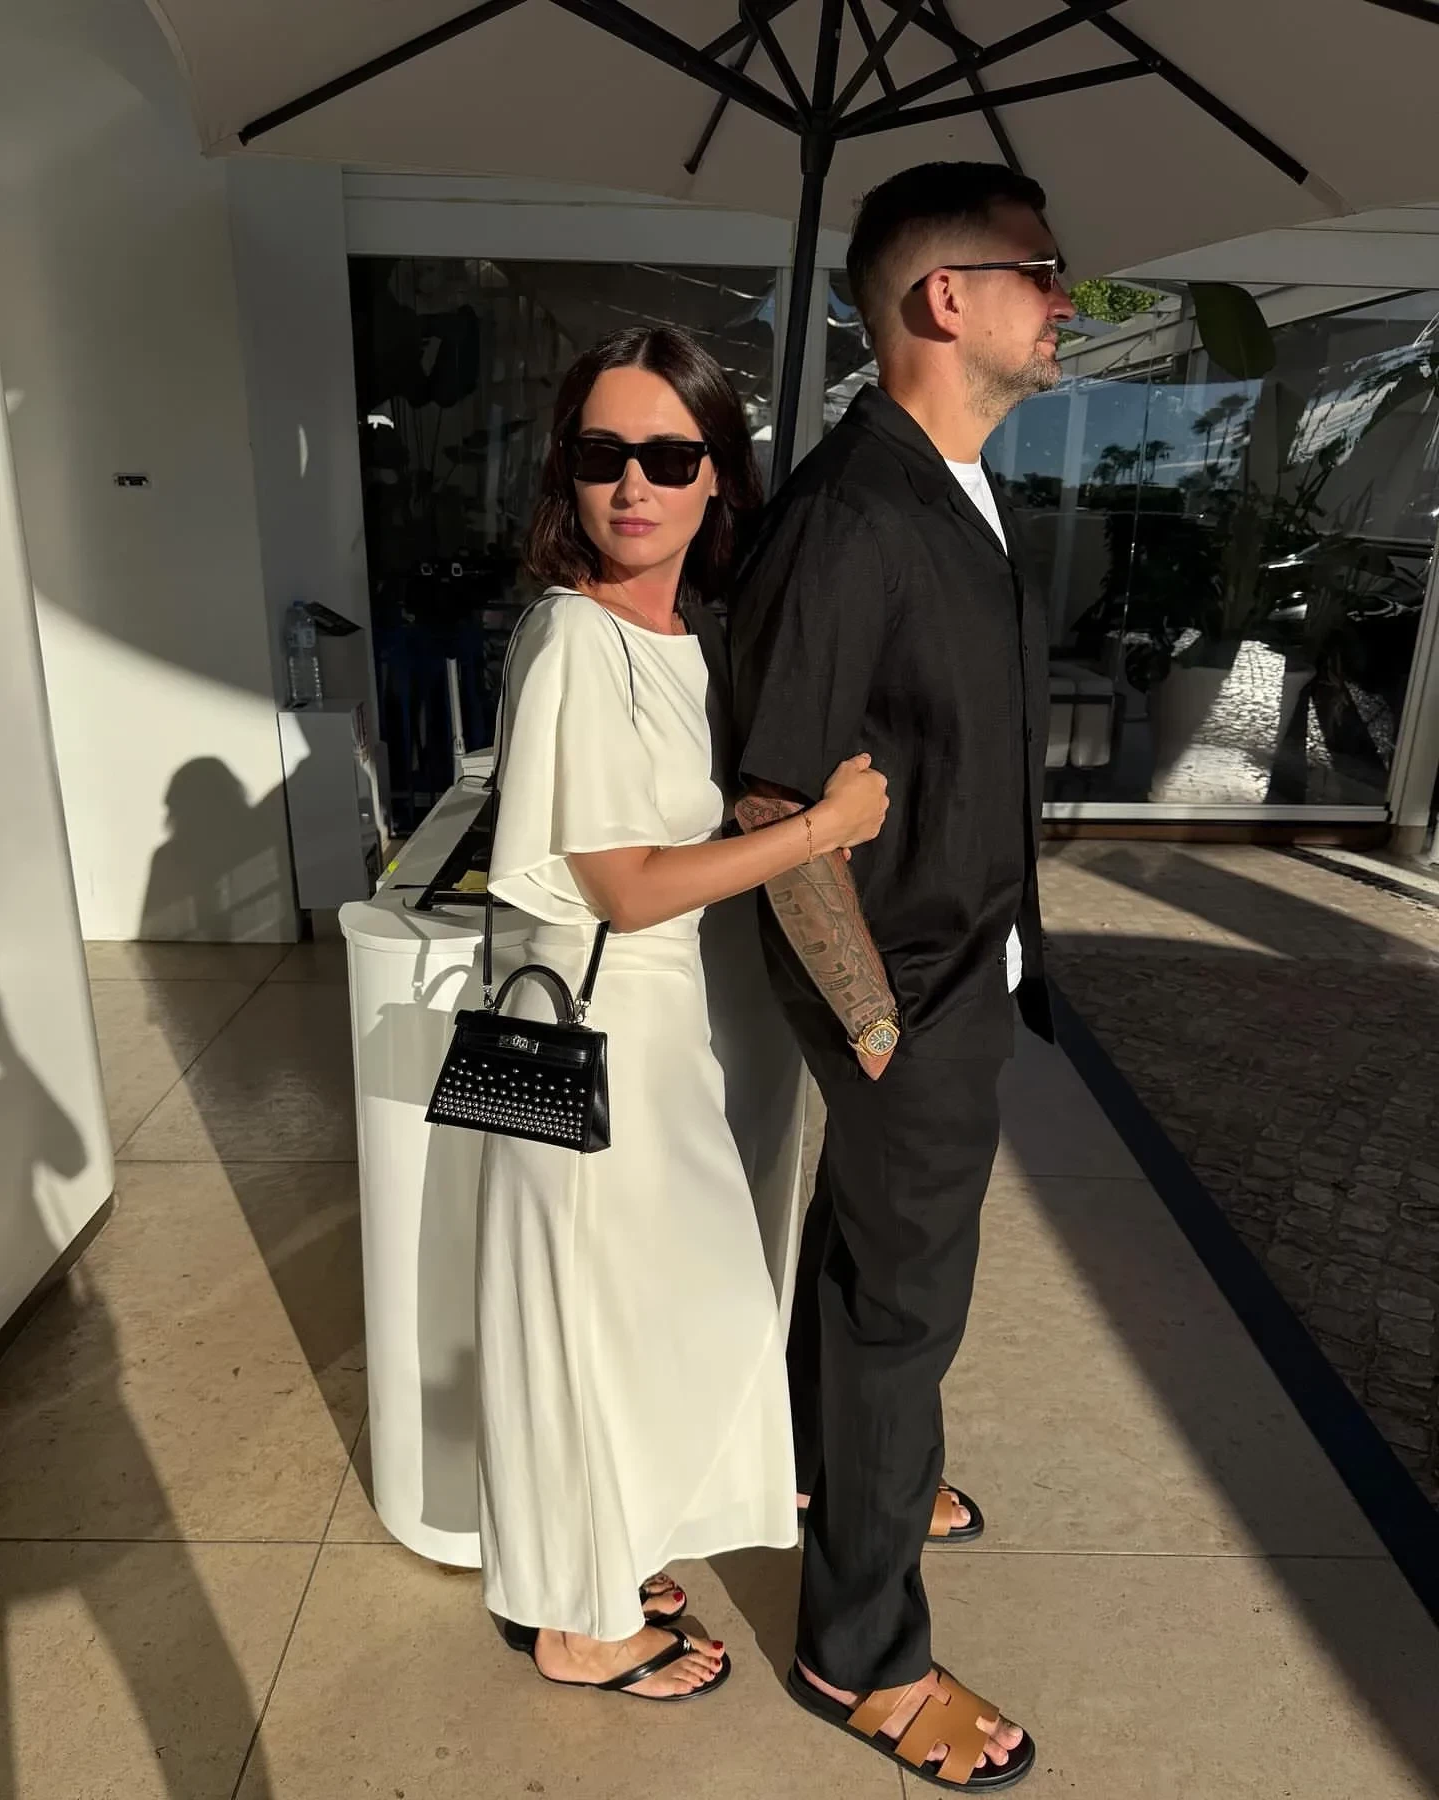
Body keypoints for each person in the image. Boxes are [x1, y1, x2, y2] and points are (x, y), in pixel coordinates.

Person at [476, 325, 890, 1704]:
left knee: (646, 1316)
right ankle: (576, 1622)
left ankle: (607, 1551)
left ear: (720, 475)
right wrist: (822, 828)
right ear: (567, 470)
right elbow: (625, 884)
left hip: (665, 1041)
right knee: (583, 1321)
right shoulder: (573, 638)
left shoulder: (687, 641)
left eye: (669, 455)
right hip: (596, 1033)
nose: (634, 485)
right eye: (604, 454)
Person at [729, 162, 1076, 1787]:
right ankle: (859, 1653)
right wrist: (876, 1024)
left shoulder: (954, 488)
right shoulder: (852, 515)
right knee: (904, 1309)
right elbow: (775, 801)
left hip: (957, 966)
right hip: (908, 992)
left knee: (866, 1265)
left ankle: (835, 1469)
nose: (1065, 302)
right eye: (1044, 271)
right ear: (948, 296)